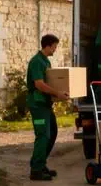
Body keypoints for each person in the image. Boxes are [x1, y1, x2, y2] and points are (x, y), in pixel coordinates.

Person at [26, 34, 70, 181]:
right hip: (38, 105)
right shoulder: (36, 62)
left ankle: (40, 164)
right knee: (43, 136)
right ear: (48, 45)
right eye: (55, 46)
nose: (55, 49)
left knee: (53, 132)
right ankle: (36, 171)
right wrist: (57, 93)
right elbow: (39, 84)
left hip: (45, 104)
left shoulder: (45, 61)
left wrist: (59, 95)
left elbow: (49, 84)